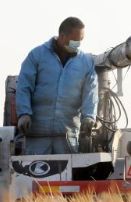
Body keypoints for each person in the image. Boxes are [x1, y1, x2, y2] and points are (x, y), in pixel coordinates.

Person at [15, 17, 98, 155]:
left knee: (68, 175)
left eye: (80, 40)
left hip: (67, 133)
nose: (78, 44)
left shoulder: (86, 62)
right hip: (38, 134)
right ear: (62, 36)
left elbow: (91, 91)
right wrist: (23, 113)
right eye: (75, 40)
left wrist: (89, 116)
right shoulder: (37, 56)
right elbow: (24, 86)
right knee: (37, 172)